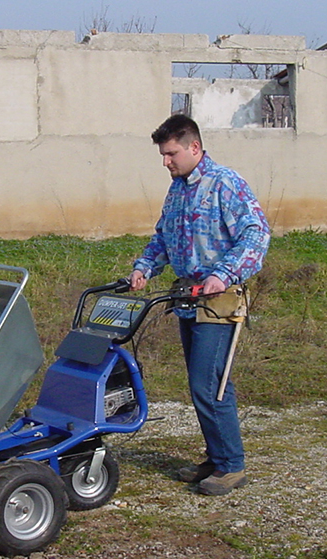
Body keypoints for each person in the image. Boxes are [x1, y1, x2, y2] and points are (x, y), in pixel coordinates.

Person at [129, 114, 270, 496]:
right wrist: (145, 267)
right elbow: (163, 237)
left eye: (171, 153)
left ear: (194, 147)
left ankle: (231, 466)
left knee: (209, 384)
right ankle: (215, 457)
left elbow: (256, 234)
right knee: (202, 385)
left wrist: (223, 273)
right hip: (187, 299)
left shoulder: (225, 184)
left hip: (219, 301)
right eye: (163, 155)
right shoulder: (177, 190)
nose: (166, 162)